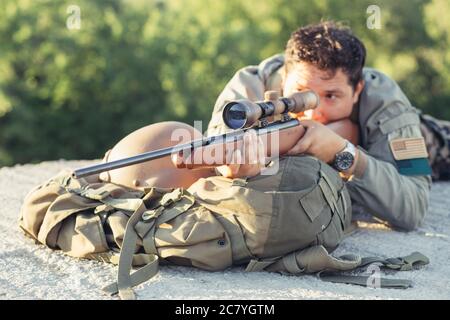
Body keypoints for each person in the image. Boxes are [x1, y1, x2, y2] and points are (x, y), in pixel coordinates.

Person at [206, 21, 450, 231]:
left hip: (434, 142)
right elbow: (217, 148)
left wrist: (344, 154)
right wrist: (233, 170)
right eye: (300, 93)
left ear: (358, 91)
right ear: (283, 79)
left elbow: (414, 206)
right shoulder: (247, 90)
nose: (313, 112)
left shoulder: (388, 105)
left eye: (331, 96)